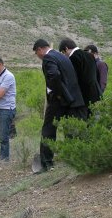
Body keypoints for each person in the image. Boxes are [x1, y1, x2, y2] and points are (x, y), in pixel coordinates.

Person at [32, 39, 86, 172]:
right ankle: (74, 157)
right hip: (73, 99)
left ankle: (46, 162)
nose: (38, 56)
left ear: (39, 49)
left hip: (59, 100)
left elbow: (54, 75)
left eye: (36, 53)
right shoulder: (62, 56)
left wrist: (58, 94)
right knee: (71, 129)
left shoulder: (48, 58)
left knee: (48, 129)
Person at [59, 38, 101, 116]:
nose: (64, 55)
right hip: (95, 93)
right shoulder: (90, 55)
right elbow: (97, 74)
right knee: (95, 121)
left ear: (66, 48)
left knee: (84, 122)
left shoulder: (73, 58)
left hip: (84, 97)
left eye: (63, 53)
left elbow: (74, 79)